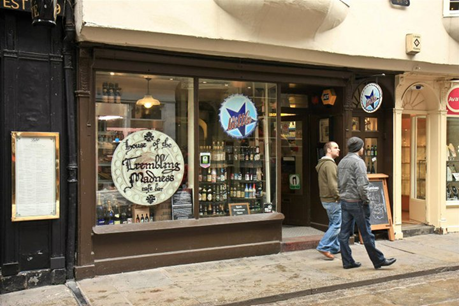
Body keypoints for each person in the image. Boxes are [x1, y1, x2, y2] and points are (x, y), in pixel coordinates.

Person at [337, 137, 396, 269]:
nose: (363, 149)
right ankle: (378, 260)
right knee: (366, 233)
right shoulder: (358, 162)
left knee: (344, 233)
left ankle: (347, 261)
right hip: (357, 202)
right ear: (359, 148)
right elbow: (362, 184)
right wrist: (366, 200)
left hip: (345, 201)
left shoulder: (342, 162)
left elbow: (339, 182)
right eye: (362, 147)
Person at [316, 141, 341, 260]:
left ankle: (335, 247)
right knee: (337, 224)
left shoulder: (323, 164)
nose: (338, 150)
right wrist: (338, 197)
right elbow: (333, 184)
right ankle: (324, 246)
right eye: (335, 148)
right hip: (332, 199)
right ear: (329, 150)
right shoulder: (330, 165)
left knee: (333, 222)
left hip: (326, 199)